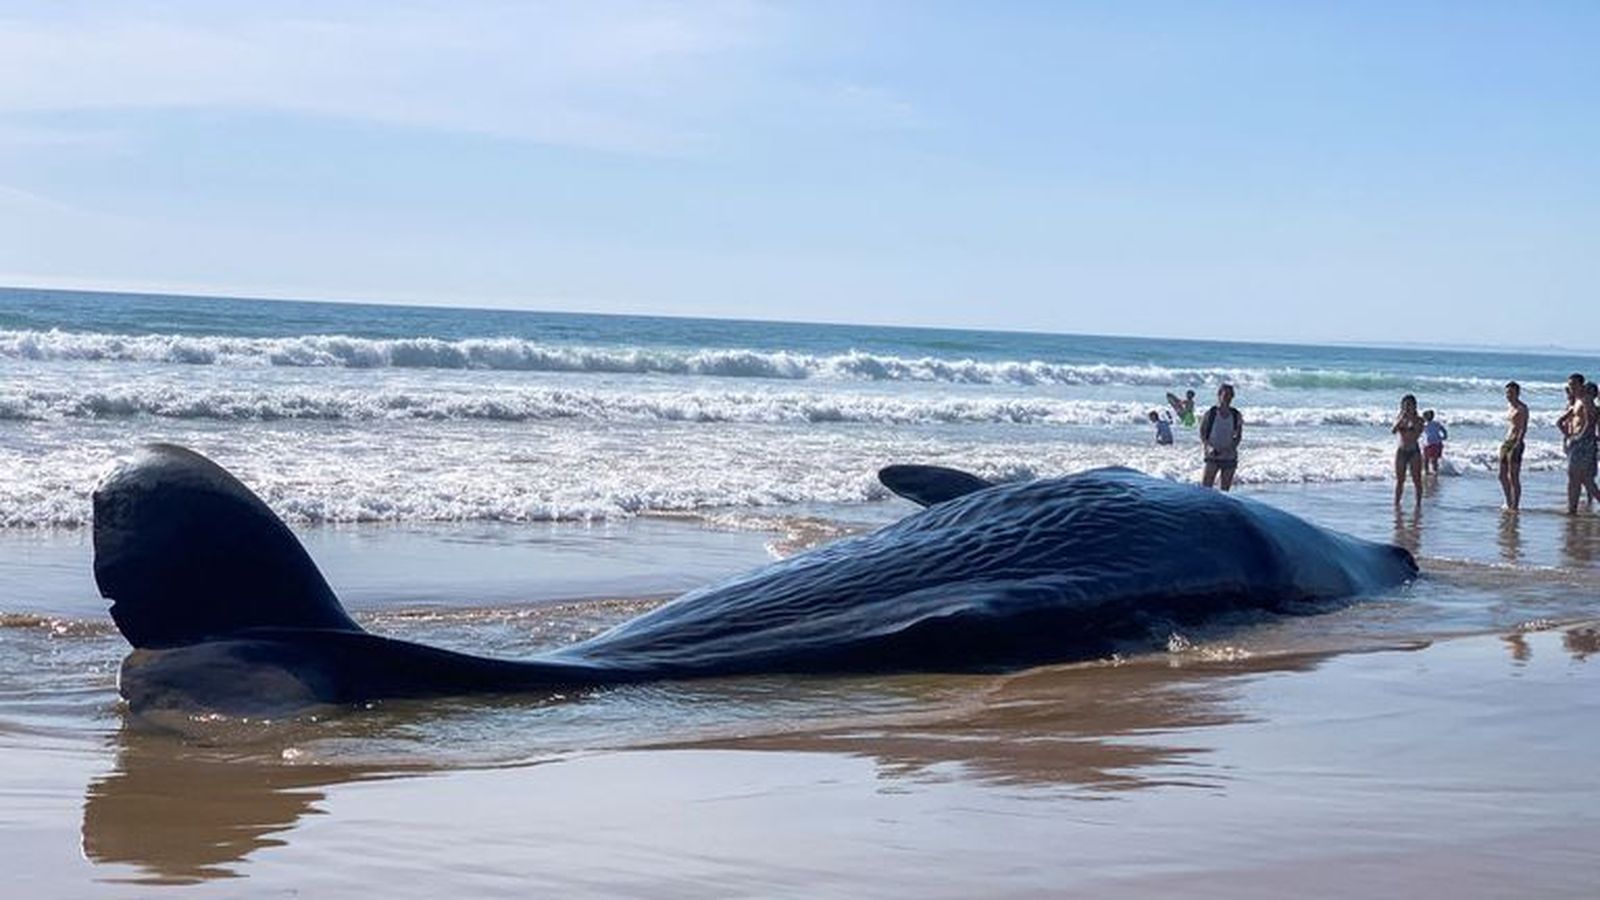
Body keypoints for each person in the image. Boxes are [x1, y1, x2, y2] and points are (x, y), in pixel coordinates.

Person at [1199, 384, 1243, 491]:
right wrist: (1208, 447)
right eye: (1225, 394)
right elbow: (1202, 432)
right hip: (1212, 456)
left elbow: (1238, 436)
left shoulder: (1236, 414)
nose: (1228, 398)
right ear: (1219, 395)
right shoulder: (1211, 413)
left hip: (1229, 457)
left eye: (1230, 395)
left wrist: (1231, 448)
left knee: (1225, 492)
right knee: (1205, 490)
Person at [1566, 376, 1598, 514]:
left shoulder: (1586, 400)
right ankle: (1572, 509)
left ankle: (1572, 509)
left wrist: (1579, 438)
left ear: (1581, 385)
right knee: (1577, 478)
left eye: (1574, 384)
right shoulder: (1577, 400)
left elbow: (1590, 421)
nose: (1571, 387)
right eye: (1570, 385)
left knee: (1583, 479)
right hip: (1578, 442)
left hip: (1583, 443)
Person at [1498, 382, 1529, 511]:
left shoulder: (1522, 408)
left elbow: (1523, 427)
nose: (1508, 395)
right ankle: (1509, 500)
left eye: (1511, 392)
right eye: (1507, 393)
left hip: (1516, 442)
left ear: (1517, 393)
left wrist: (1518, 442)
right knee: (1501, 475)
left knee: (1514, 475)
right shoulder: (1510, 406)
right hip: (1507, 441)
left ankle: (1515, 505)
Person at [1392, 394, 1425, 506]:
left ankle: (1418, 505)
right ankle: (1396, 504)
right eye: (1405, 405)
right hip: (1401, 451)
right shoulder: (1400, 418)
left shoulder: (1419, 420)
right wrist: (1402, 420)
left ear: (1414, 406)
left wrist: (1411, 421)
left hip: (1414, 451)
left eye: (1409, 405)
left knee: (1417, 480)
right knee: (1400, 481)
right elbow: (1393, 430)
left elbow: (1417, 434)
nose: (1407, 408)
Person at [1421, 409, 1448, 474]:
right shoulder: (1436, 424)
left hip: (1429, 444)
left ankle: (1427, 471)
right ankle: (1435, 471)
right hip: (1437, 444)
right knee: (1434, 460)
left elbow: (1419, 432)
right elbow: (1444, 430)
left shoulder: (1425, 425)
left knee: (1426, 459)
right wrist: (1444, 436)